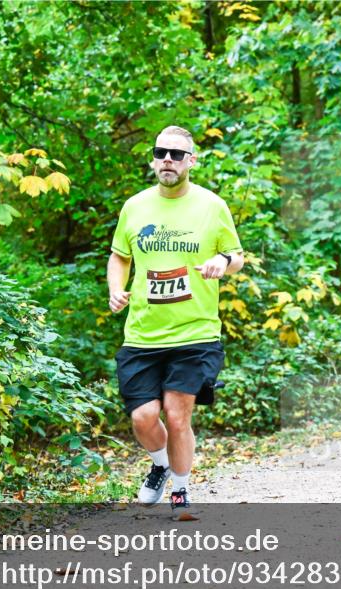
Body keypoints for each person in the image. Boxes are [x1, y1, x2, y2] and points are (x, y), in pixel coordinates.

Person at [107, 125, 244, 513]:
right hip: (143, 334)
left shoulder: (212, 206)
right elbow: (119, 256)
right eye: (161, 152)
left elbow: (237, 256)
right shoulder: (134, 207)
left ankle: (181, 490)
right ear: (153, 159)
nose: (168, 159)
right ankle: (161, 465)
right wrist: (115, 289)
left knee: (177, 414)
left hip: (195, 331)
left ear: (191, 161)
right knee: (143, 417)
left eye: (177, 154)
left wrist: (221, 261)